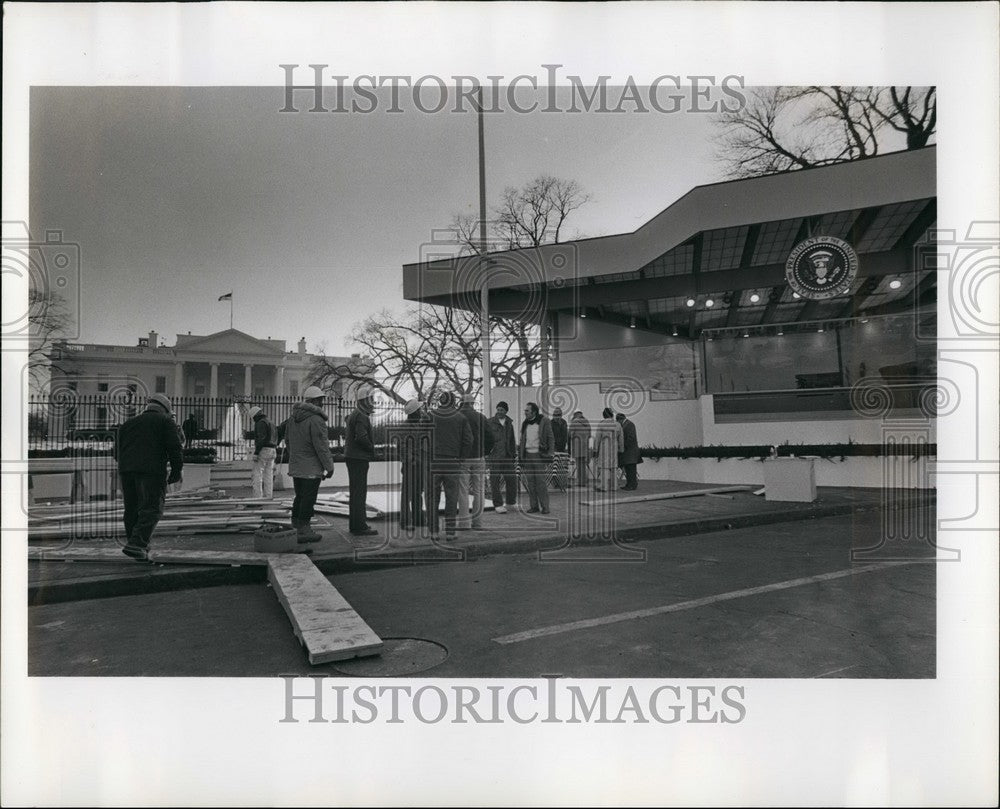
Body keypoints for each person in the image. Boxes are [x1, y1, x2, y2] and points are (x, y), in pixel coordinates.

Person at [114, 392, 183, 561]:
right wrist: (176, 471)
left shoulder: (128, 424)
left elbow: (116, 452)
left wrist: (128, 464)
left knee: (132, 509)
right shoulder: (166, 421)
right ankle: (137, 544)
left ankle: (135, 545)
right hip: (152, 471)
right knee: (152, 508)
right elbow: (175, 448)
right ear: (165, 409)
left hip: (127, 471)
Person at [284, 385, 336, 544]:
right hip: (311, 467)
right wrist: (329, 466)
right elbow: (321, 446)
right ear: (313, 401)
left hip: (297, 466)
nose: (322, 403)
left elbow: (288, 441)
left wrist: (295, 457)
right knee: (309, 498)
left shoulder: (292, 419)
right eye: (320, 400)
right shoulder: (316, 419)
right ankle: (304, 530)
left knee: (299, 496)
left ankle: (296, 527)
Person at [428, 391, 472, 540]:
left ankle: (433, 531)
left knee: (432, 497)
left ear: (440, 401)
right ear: (453, 401)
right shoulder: (460, 418)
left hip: (433, 461)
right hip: (452, 461)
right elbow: (468, 440)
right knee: (451, 497)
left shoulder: (430, 415)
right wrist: (461, 457)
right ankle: (450, 532)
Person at [344, 386, 378, 536]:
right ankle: (359, 526)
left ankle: (356, 525)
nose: (373, 403)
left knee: (356, 492)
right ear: (364, 401)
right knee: (359, 493)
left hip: (353, 457)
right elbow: (361, 437)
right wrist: (372, 449)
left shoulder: (356, 414)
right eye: (371, 400)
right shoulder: (361, 416)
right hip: (358, 458)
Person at [457, 393, 494, 530]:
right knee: (479, 491)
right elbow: (490, 437)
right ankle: (478, 523)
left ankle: (464, 523)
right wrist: (485, 452)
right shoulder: (481, 417)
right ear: (473, 403)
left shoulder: (457, 417)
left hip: (463, 458)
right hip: (479, 457)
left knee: (462, 491)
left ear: (461, 402)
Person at [398, 399, 432, 531]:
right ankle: (405, 522)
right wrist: (412, 460)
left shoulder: (418, 425)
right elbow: (402, 447)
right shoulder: (405, 427)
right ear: (413, 413)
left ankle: (418, 519)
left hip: (418, 464)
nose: (421, 412)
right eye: (419, 410)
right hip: (410, 465)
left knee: (417, 493)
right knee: (407, 495)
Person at [519, 402, 554, 514]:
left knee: (540, 483)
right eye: (525, 410)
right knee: (530, 483)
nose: (525, 412)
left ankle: (545, 507)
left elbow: (550, 437)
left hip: (539, 456)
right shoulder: (525, 423)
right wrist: (521, 455)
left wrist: (550, 454)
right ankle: (534, 506)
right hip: (528, 456)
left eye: (527, 411)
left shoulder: (544, 421)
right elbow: (522, 440)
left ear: (533, 412)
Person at [486, 400, 518, 514]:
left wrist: (513, 454)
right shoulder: (489, 422)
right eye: (498, 409)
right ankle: (498, 504)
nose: (499, 412)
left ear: (506, 411)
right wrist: (487, 453)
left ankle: (511, 502)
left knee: (512, 479)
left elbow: (512, 440)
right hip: (495, 456)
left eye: (502, 410)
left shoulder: (509, 423)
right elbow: (485, 439)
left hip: (508, 456)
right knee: (495, 481)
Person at [249, 405, 278, 499]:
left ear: (255, 416)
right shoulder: (271, 422)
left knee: (257, 473)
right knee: (268, 474)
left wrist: (256, 452)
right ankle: (268, 496)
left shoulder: (260, 423)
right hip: (273, 450)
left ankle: (257, 497)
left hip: (263, 450)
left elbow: (262, 438)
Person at [593, 407, 624, 492]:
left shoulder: (602, 424)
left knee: (604, 468)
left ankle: (604, 487)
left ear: (604, 415)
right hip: (614, 448)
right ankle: (614, 486)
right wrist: (621, 449)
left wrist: (595, 449)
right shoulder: (618, 424)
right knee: (613, 467)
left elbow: (597, 438)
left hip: (604, 448)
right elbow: (621, 439)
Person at [616, 412, 642, 490]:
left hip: (630, 452)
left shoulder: (630, 425)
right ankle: (629, 484)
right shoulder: (627, 424)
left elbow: (631, 438)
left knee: (631, 469)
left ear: (620, 420)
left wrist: (622, 445)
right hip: (628, 452)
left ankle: (632, 485)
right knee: (628, 469)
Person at [568, 410, 592, 488]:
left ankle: (580, 482)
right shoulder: (587, 422)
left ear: (575, 414)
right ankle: (584, 481)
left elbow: (570, 435)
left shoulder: (574, 422)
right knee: (583, 465)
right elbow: (590, 435)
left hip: (577, 447)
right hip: (585, 446)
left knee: (579, 465)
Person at [549, 406, 570, 490]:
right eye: (555, 415)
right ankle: (556, 483)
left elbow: (566, 435)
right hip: (554, 447)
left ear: (561, 415)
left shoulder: (564, 422)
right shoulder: (550, 423)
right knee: (555, 466)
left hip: (562, 447)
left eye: (558, 415)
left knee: (563, 466)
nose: (557, 416)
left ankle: (563, 483)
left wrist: (567, 445)